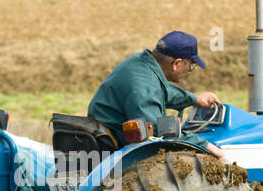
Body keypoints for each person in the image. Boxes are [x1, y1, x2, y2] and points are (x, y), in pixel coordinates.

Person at [87, 31, 225, 159]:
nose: (190, 70)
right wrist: (205, 145)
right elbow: (159, 131)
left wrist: (195, 99)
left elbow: (161, 90)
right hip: (113, 147)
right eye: (191, 65)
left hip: (103, 133)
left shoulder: (140, 63)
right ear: (177, 63)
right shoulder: (146, 84)